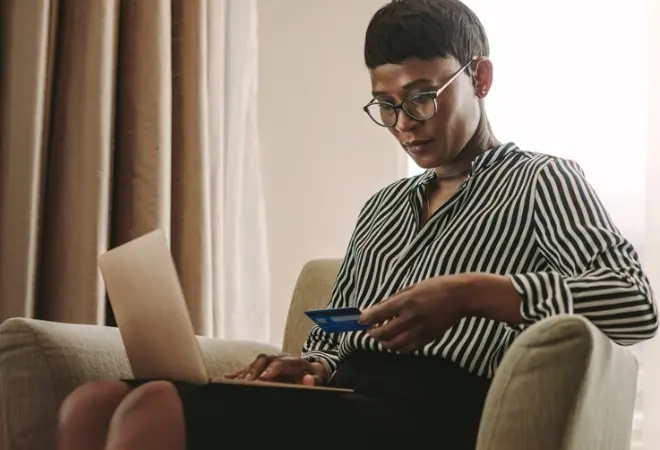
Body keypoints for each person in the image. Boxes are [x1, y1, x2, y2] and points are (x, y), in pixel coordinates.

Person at [57, 1, 658, 449]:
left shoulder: (543, 180)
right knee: (94, 401)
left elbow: (635, 306)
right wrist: (311, 366)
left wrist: (470, 293)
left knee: (155, 409)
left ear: (480, 78)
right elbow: (331, 341)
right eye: (387, 104)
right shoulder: (383, 207)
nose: (405, 122)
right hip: (351, 398)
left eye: (423, 96)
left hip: (438, 410)